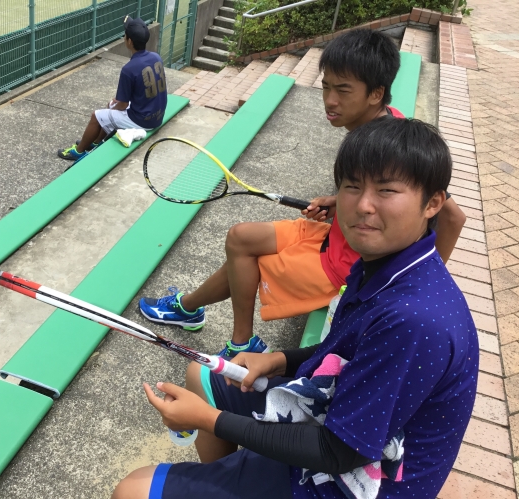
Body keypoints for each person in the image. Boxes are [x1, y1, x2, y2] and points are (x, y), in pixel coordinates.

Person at [112, 118, 479, 499]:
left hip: (359, 480)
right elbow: (347, 349)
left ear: (432, 203)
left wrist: (209, 420)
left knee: (133, 490)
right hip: (339, 418)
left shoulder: (413, 320)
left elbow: (339, 452)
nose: (363, 205)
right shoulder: (387, 264)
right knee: (203, 376)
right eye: (352, 186)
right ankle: (229, 480)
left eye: (386, 190)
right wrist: (278, 361)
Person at [138, 29, 466, 356]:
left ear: (376, 94)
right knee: (241, 238)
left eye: (343, 90)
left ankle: (238, 342)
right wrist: (338, 202)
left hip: (343, 266)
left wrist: (411, 284)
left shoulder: (390, 146)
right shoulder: (386, 123)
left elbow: (453, 217)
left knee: (248, 259)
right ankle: (190, 309)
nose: (330, 100)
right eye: (326, 87)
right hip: (332, 239)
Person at [57, 16, 168, 163]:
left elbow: (122, 105)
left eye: (125, 35)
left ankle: (78, 151)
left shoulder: (128, 69)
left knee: (96, 115)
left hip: (142, 122)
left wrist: (113, 106)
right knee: (110, 106)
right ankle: (96, 142)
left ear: (129, 41)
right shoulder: (156, 57)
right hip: (157, 116)